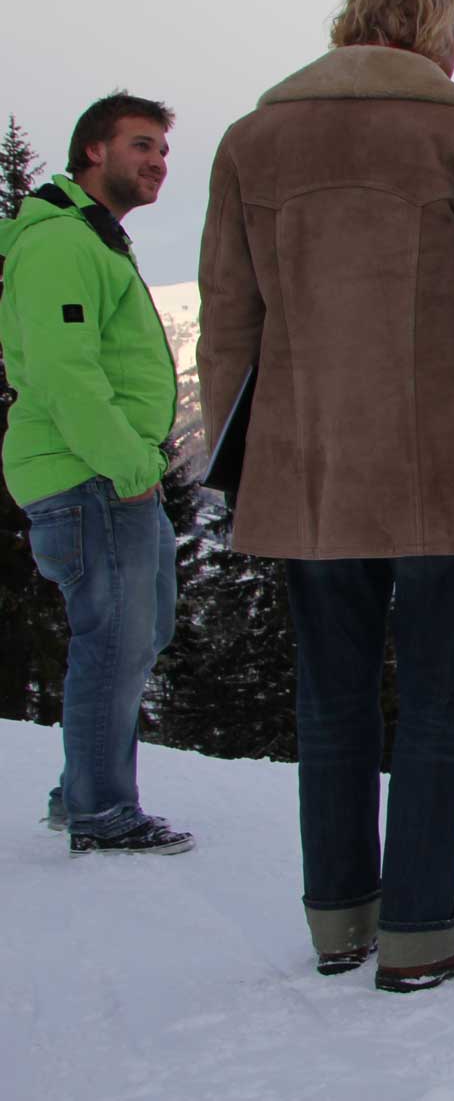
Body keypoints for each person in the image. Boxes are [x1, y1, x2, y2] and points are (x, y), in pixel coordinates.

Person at [197, 0, 454, 991]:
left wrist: (240, 459)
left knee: (331, 700)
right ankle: (422, 930)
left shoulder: (251, 140)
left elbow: (230, 322)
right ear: (428, 31)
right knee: (438, 701)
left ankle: (339, 921)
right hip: (440, 464)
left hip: (307, 467)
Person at [0, 92, 192, 857]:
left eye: (164, 151)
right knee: (112, 638)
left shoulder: (95, 240)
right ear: (93, 153)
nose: (157, 163)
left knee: (145, 625)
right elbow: (62, 371)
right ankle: (103, 812)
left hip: (110, 478)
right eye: (141, 145)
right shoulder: (61, 243)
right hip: (92, 477)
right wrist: (129, 467)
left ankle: (82, 787)